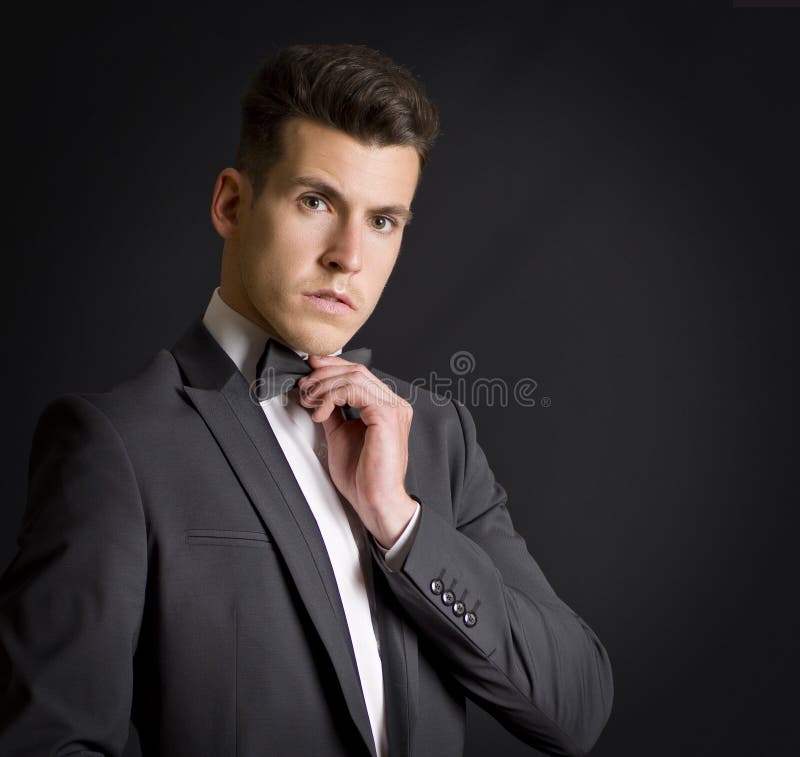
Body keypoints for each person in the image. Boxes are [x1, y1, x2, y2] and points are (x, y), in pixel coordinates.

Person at [0, 43, 613, 756]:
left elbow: (576, 705)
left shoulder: (437, 436)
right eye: (316, 201)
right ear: (232, 203)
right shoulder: (118, 442)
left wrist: (402, 525)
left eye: (383, 220)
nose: (348, 254)